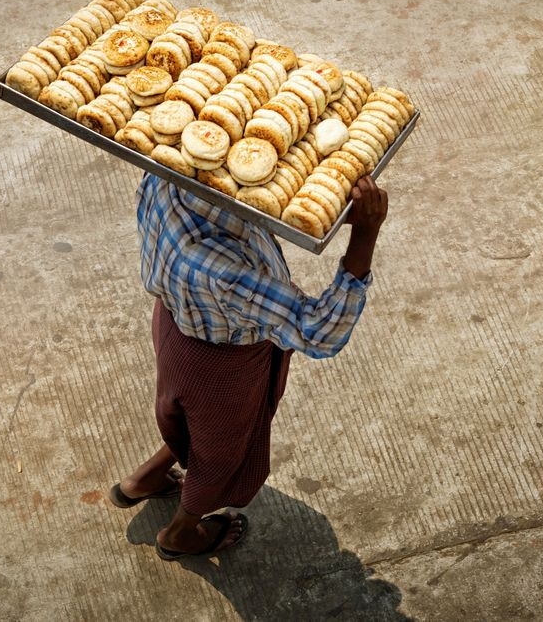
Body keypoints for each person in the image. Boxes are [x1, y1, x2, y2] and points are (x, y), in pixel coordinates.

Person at [109, 171, 388, 560]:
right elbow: (320, 331)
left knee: (189, 420)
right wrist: (365, 234)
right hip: (223, 369)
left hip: (175, 326)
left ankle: (143, 479)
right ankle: (180, 532)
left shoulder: (165, 174)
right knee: (223, 456)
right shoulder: (224, 273)